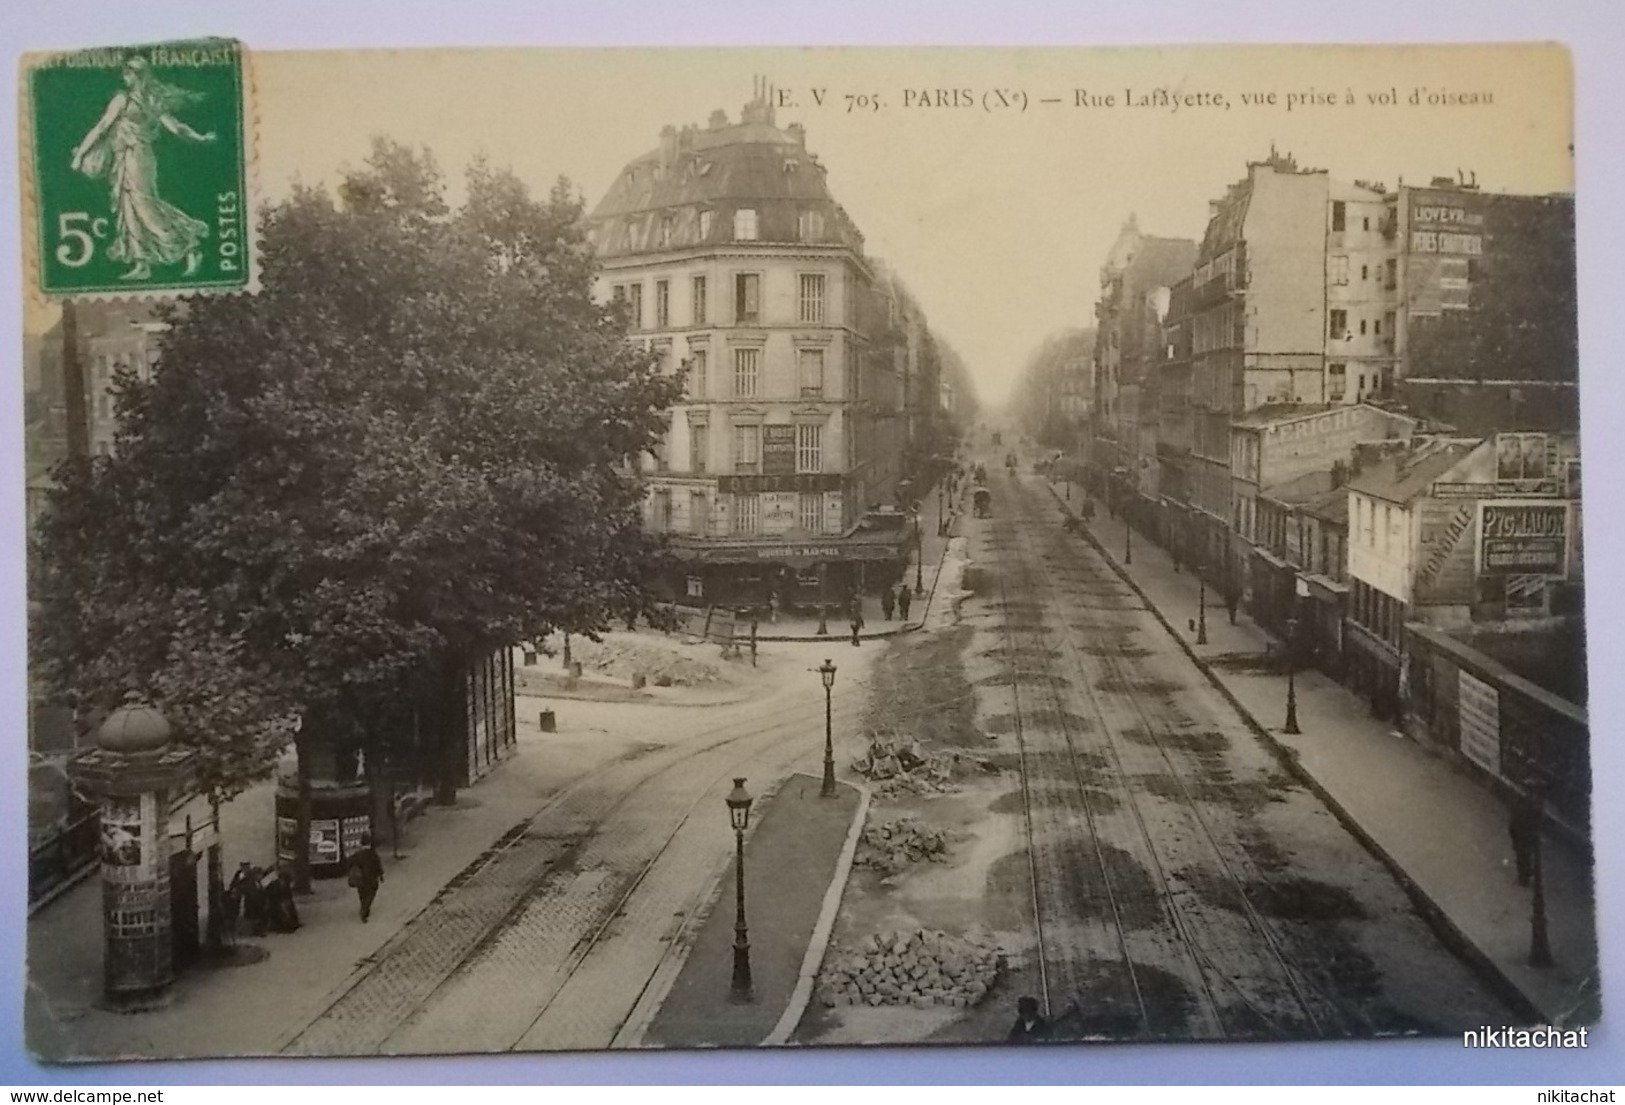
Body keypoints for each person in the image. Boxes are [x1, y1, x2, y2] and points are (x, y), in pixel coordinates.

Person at [68, 57, 218, 281]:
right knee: (127, 205)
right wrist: (201, 138)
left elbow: (102, 127)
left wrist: (80, 155)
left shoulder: (131, 99)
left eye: (128, 74)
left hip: (138, 157)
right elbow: (177, 128)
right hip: (125, 157)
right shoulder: (146, 100)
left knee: (144, 204)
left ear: (137, 75)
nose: (124, 77)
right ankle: (141, 263)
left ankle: (188, 245)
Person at [348, 834, 386, 923]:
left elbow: (350, 863)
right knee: (371, 893)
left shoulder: (357, 854)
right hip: (371, 877)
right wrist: (381, 875)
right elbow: (378, 865)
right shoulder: (372, 854)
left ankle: (364, 907)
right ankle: (364, 909)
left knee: (362, 893)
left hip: (360, 878)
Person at [1509, 787, 1541, 887]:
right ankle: (1526, 874)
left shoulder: (1521, 807)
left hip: (1521, 833)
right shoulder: (1534, 808)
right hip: (1525, 834)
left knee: (1521, 855)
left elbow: (1513, 823)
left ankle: (1524, 875)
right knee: (1525, 854)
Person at [233, 862, 268, 937]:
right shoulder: (247, 881)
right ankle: (257, 929)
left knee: (262, 909)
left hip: (257, 902)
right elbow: (248, 893)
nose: (260, 877)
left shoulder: (258, 882)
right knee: (257, 910)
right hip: (250, 902)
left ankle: (259, 929)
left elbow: (261, 893)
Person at [265, 866, 302, 933]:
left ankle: (292, 923)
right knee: (282, 909)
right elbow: (274, 896)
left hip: (283, 901)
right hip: (276, 902)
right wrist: (283, 902)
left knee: (289, 907)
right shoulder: (274, 885)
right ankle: (284, 925)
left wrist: (287, 901)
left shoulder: (285, 886)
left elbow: (288, 895)